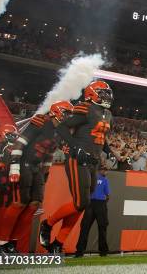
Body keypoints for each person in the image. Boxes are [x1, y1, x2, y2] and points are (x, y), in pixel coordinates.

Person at [39, 80, 114, 253]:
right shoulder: (85, 107)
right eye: (102, 93)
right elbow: (63, 128)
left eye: (108, 93)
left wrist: (109, 152)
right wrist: (76, 147)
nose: (107, 96)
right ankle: (48, 223)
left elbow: (101, 136)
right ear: (91, 94)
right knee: (82, 202)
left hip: (93, 162)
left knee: (82, 204)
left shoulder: (107, 113)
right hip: (77, 159)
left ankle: (58, 242)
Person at [0, 102, 73, 255]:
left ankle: (12, 243)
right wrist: (15, 166)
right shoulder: (41, 121)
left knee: (34, 204)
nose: (69, 117)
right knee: (19, 203)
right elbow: (19, 144)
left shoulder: (61, 131)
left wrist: (46, 173)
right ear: (56, 112)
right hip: (24, 163)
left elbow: (49, 153)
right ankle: (1, 243)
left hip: (37, 168)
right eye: (67, 113)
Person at [75, 165, 110, 257]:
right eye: (105, 170)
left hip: (90, 203)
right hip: (100, 204)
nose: (106, 172)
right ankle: (103, 251)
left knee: (85, 228)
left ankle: (79, 251)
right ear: (100, 170)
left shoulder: (90, 177)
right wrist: (103, 202)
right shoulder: (104, 179)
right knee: (102, 227)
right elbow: (108, 194)